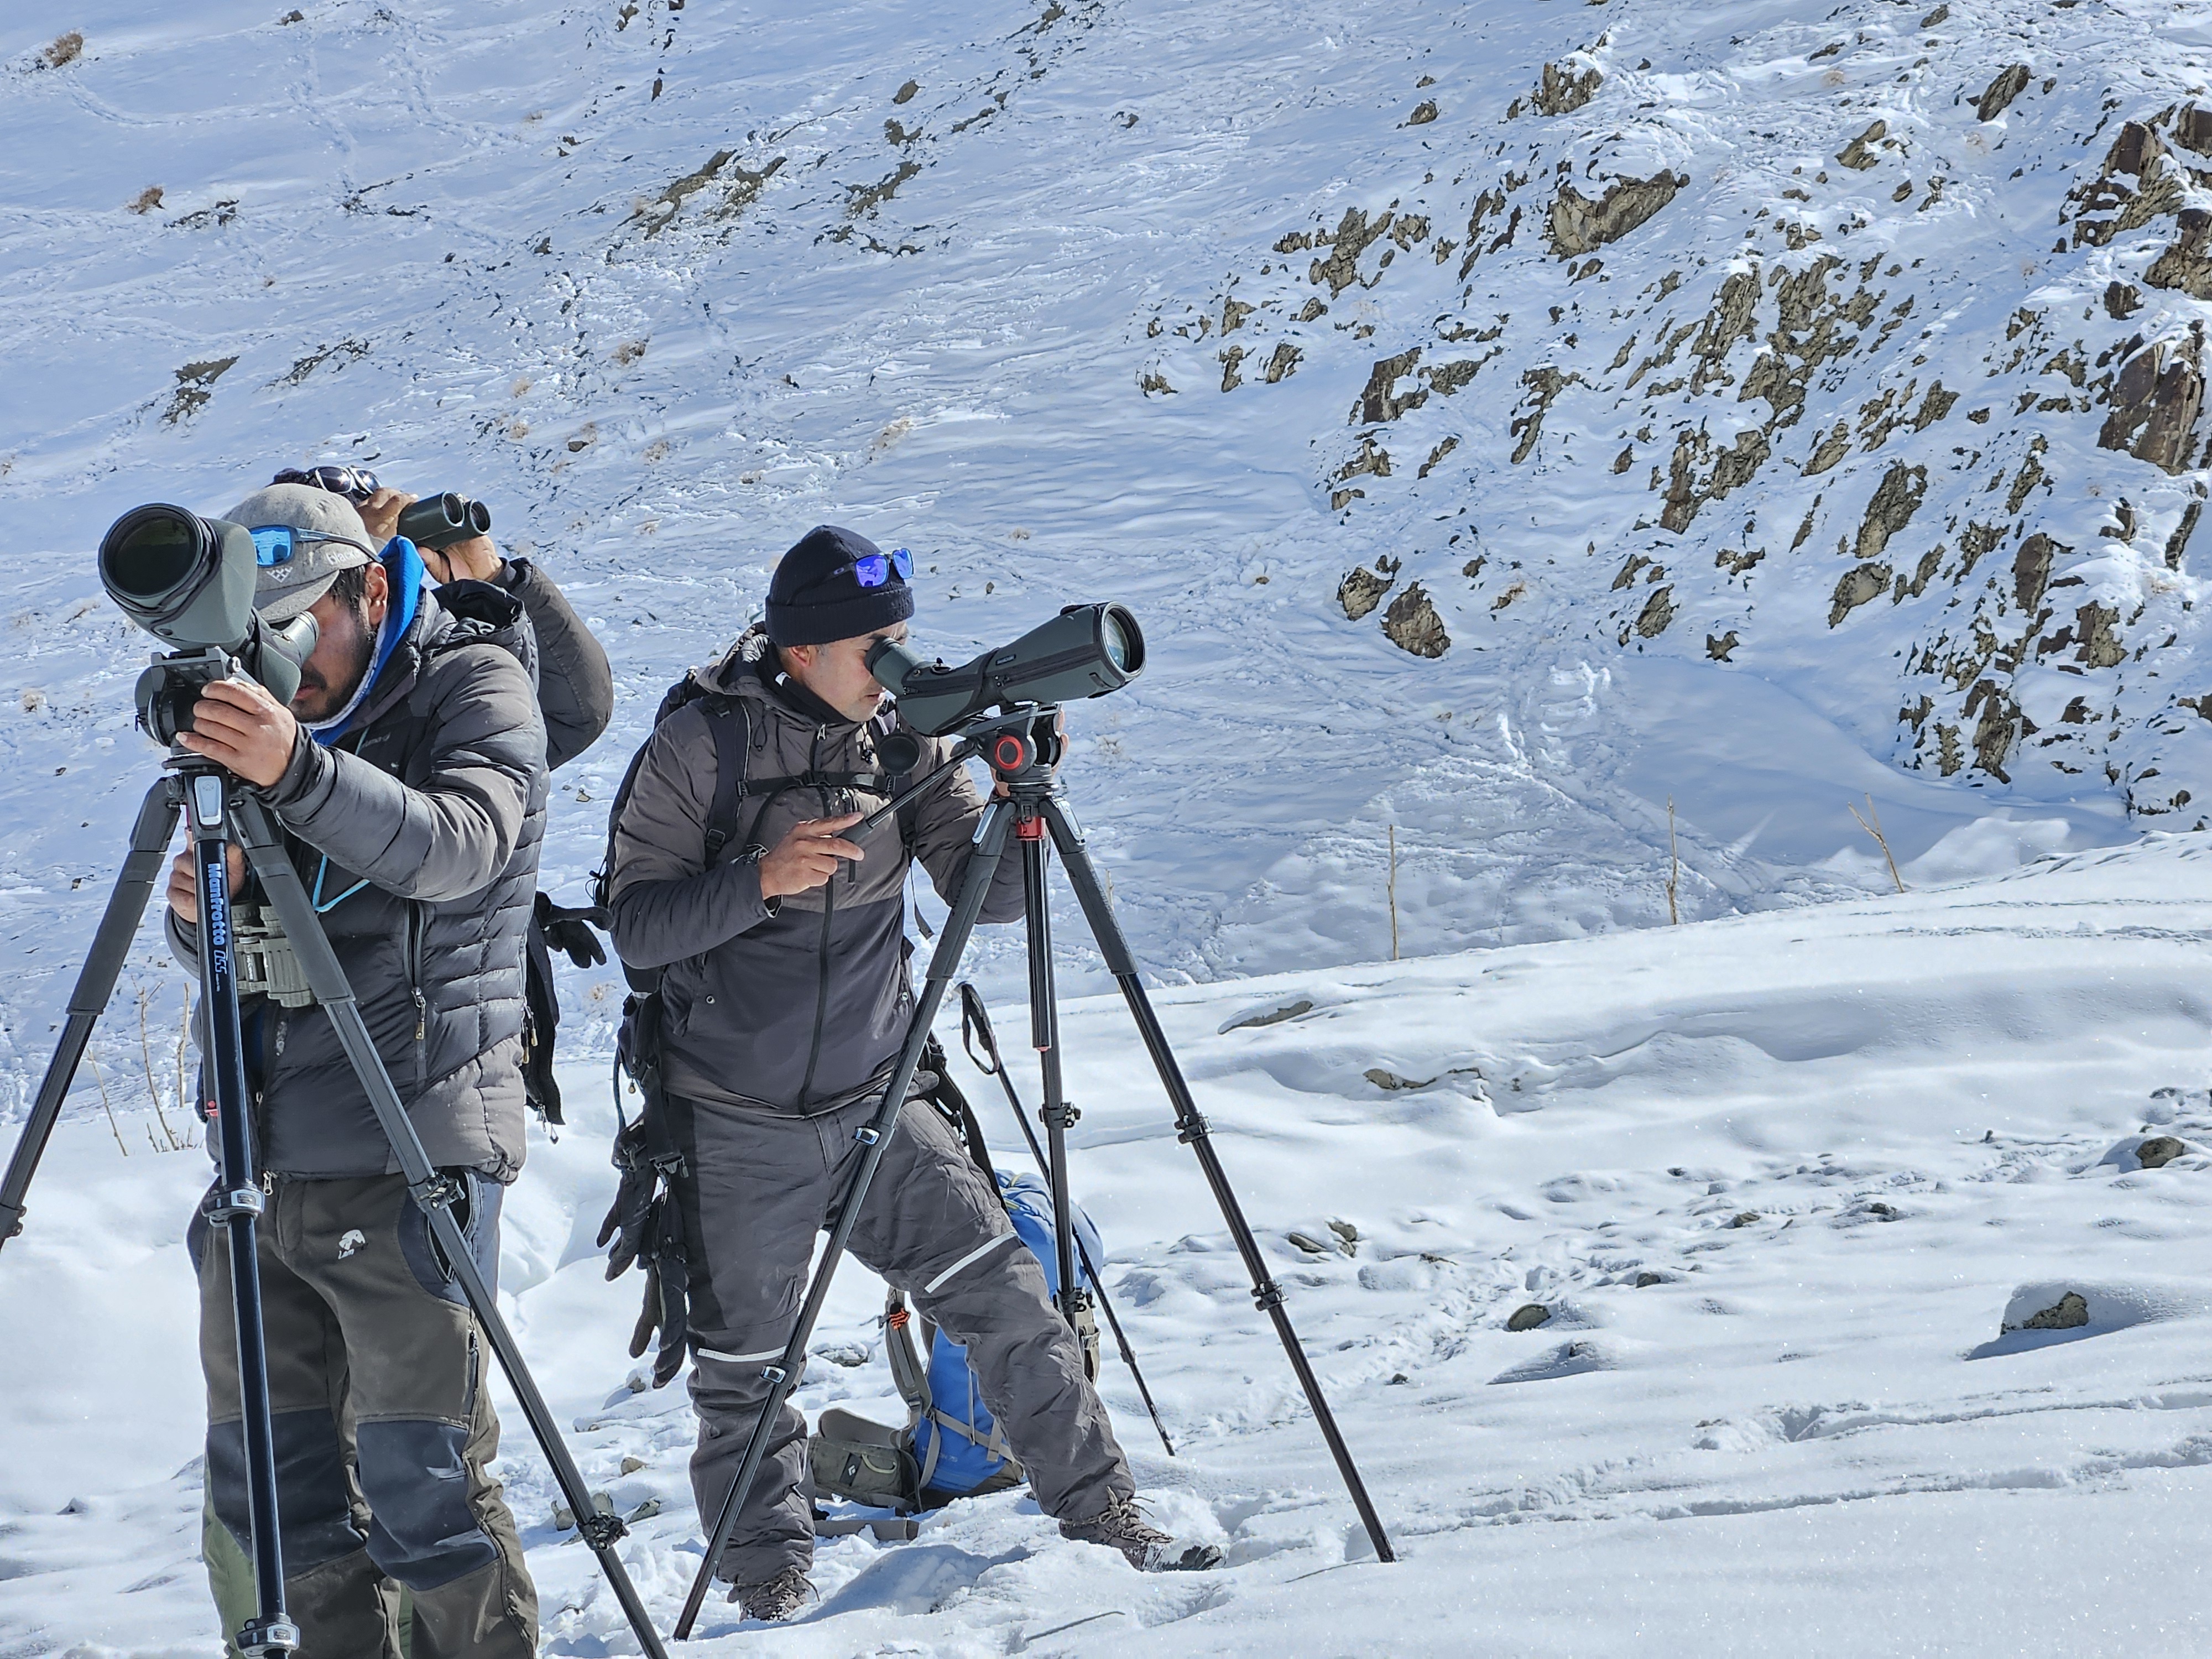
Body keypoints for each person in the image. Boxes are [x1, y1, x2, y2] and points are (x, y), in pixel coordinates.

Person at [604, 524, 1219, 1623]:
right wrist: (760, 879)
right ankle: (767, 1591)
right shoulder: (701, 749)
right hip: (734, 1117)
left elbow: (983, 902)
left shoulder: (904, 740)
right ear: (801, 652)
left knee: (1008, 1299)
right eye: (874, 643)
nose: (896, 661)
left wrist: (1017, 807)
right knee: (746, 1370)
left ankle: (1104, 1517)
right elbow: (636, 929)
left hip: (878, 1097)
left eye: (902, 636)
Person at [165, 482, 549, 1656]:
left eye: (302, 625)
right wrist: (200, 914)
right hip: (263, 1167)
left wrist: (295, 771)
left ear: (371, 587)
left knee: (426, 1492)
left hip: (408, 1145)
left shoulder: (470, 683)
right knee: (278, 1509)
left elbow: (460, 850)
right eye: (259, 634)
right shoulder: (265, 719)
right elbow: (234, 958)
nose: (284, 661)